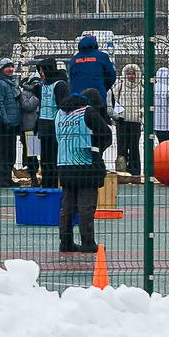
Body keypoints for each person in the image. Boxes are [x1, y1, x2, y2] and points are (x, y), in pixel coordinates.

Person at [54, 88, 107, 254]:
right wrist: (97, 150)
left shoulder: (60, 113)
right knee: (86, 206)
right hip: (86, 165)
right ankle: (88, 242)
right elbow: (106, 134)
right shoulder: (89, 112)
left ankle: (66, 242)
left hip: (64, 163)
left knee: (67, 206)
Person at [65, 34, 114, 104]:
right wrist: (103, 86)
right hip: (98, 97)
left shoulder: (74, 59)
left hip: (78, 98)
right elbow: (111, 75)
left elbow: (71, 78)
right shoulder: (102, 57)